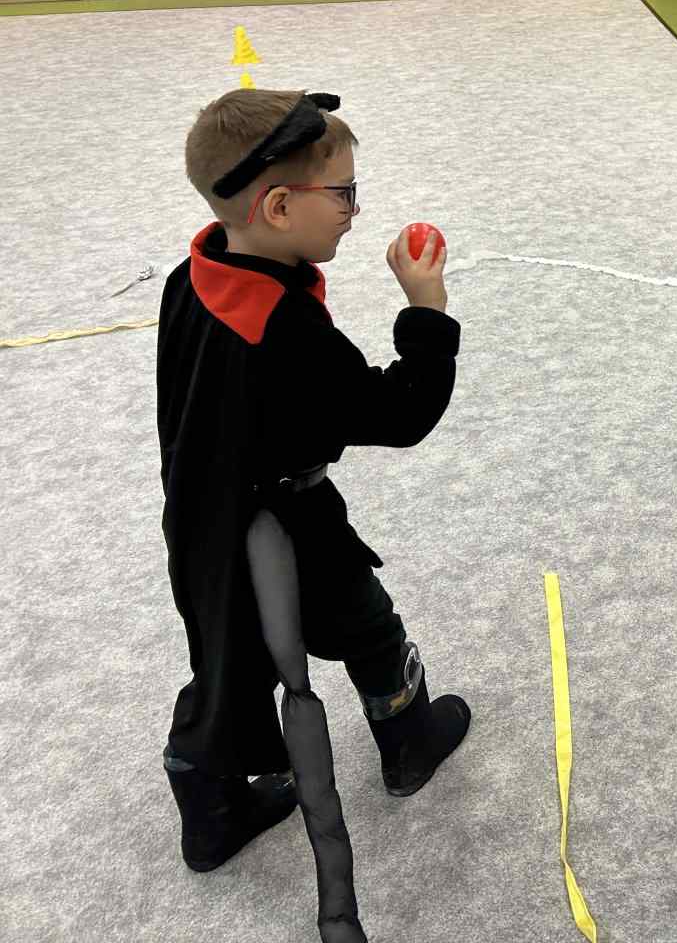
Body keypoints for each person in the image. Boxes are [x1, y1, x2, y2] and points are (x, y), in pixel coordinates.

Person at [157, 88, 470, 941]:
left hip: (203, 517)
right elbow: (400, 413)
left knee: (226, 660)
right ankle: (408, 743)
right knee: (366, 626)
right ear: (278, 207)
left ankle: (210, 812)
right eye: (344, 193)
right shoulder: (285, 328)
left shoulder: (196, 273)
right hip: (286, 527)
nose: (355, 209)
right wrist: (426, 309)